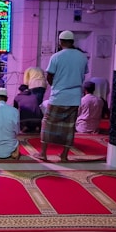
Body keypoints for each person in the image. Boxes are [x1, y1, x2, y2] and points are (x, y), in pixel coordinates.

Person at [37, 30, 88, 162]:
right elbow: (84, 73)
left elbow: (49, 75)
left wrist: (55, 86)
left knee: (48, 123)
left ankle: (43, 153)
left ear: (60, 42)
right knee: (69, 126)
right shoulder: (82, 56)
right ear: (72, 41)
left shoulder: (57, 56)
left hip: (59, 96)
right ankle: (64, 155)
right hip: (75, 97)